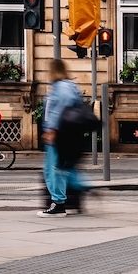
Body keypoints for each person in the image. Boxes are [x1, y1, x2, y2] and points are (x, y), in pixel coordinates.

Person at [40, 58, 90, 216]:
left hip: (59, 134)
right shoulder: (67, 85)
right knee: (66, 167)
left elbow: (60, 108)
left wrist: (52, 129)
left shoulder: (61, 86)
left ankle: (58, 204)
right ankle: (81, 189)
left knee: (53, 169)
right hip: (65, 133)